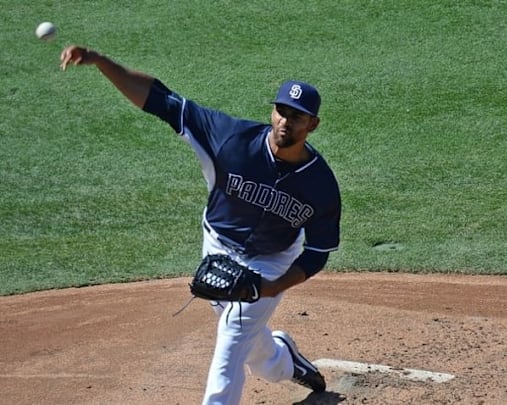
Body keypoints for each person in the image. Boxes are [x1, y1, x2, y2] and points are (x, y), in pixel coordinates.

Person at [60, 45, 341, 404]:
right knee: (257, 355)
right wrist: (101, 61)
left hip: (270, 260)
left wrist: (272, 286)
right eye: (281, 111)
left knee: (232, 338)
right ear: (272, 111)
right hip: (218, 246)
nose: (285, 121)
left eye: (297, 116)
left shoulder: (320, 185)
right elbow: (161, 100)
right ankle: (284, 360)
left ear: (312, 124)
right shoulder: (231, 140)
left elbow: (317, 253)